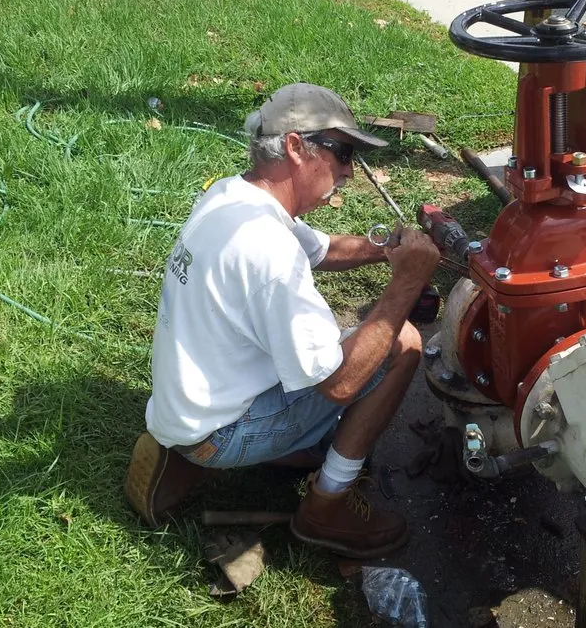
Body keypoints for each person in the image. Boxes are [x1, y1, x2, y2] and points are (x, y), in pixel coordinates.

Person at [124, 82, 441, 559]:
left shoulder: (233, 196)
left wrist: (386, 250)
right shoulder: (268, 251)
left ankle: (268, 453)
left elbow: (324, 248)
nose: (349, 172)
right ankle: (325, 507)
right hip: (220, 431)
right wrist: (406, 284)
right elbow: (338, 384)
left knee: (338, 348)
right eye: (342, 153)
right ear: (295, 146)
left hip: (186, 406)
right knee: (404, 344)